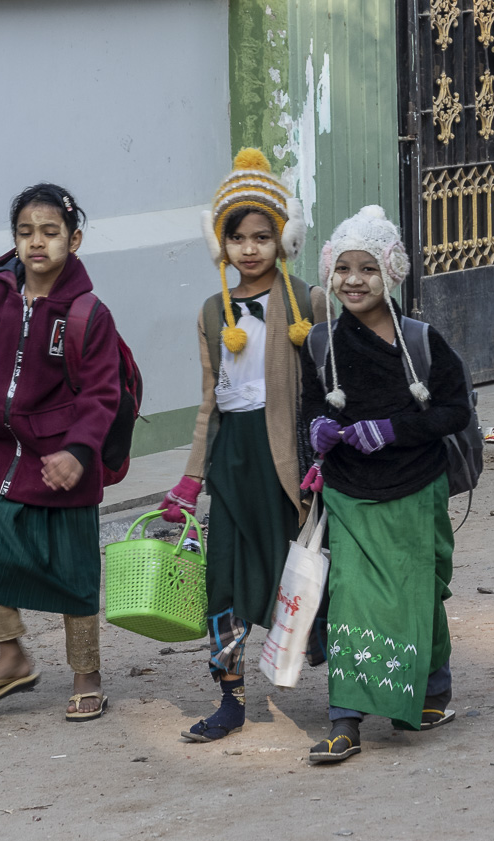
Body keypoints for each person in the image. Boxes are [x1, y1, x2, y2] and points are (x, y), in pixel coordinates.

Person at [159, 148, 328, 742]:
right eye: (237, 238)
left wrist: (326, 459)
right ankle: (229, 696)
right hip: (233, 462)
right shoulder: (212, 312)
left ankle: (337, 680)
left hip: (287, 466)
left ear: (284, 239)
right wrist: (191, 478)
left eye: (262, 236)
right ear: (221, 244)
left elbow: (326, 391)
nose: (249, 249)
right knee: (224, 579)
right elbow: (210, 400)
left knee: (301, 571)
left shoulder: (308, 301)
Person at [0, 183, 123, 722]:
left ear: (74, 240)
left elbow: (103, 394)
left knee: (73, 575)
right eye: (25, 232)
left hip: (64, 464)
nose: (36, 242)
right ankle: (12, 655)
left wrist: (79, 451)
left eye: (49, 232)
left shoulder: (89, 313)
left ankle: (86, 676)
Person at [300, 205, 471, 764]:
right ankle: (344, 720)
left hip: (416, 489)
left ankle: (432, 689)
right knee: (350, 600)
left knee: (420, 592)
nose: (354, 281)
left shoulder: (422, 341)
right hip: (349, 492)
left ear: (391, 272)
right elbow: (310, 405)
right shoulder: (321, 343)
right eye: (343, 268)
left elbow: (454, 411)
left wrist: (392, 430)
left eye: (368, 269)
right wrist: (318, 430)